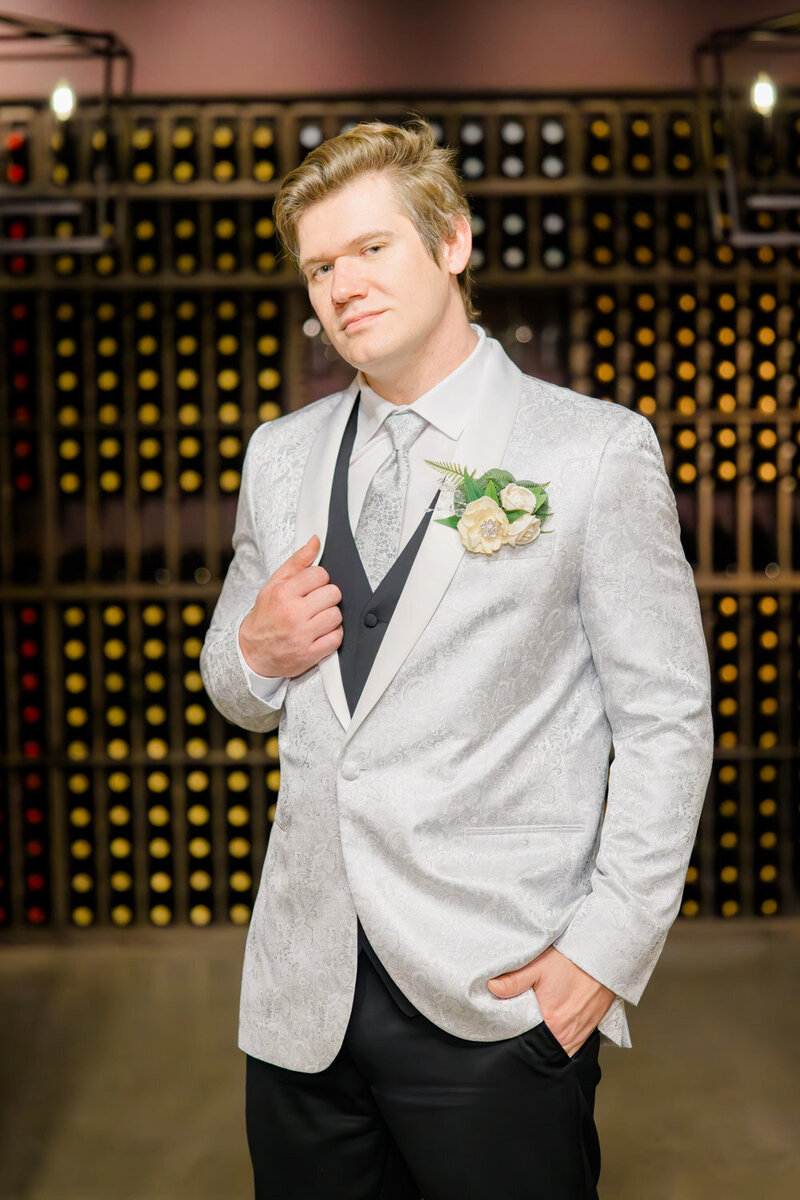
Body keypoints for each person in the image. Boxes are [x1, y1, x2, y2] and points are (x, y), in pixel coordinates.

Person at [200, 117, 713, 1200]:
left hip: (498, 993)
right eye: (319, 268)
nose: (341, 287)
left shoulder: (591, 452)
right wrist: (251, 650)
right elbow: (236, 691)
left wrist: (603, 954)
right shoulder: (278, 457)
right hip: (303, 998)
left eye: (369, 249)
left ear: (452, 244)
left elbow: (665, 723)